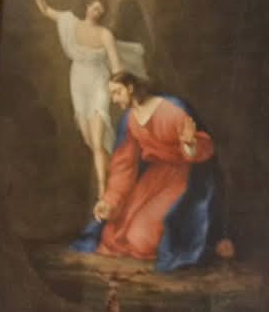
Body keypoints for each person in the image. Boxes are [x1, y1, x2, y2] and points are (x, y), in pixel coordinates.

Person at [70, 72, 230, 272]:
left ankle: (206, 242)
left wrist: (189, 144)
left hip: (183, 177)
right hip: (154, 177)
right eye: (111, 94)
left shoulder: (171, 111)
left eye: (117, 92)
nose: (114, 99)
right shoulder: (130, 119)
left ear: (130, 88)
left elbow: (204, 149)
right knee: (113, 235)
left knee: (140, 239)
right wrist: (110, 201)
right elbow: (124, 166)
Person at [28, 0, 147, 205]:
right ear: (87, 6)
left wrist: (124, 91)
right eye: (94, 6)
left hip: (98, 82)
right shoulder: (69, 22)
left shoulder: (105, 35)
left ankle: (103, 191)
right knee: (90, 141)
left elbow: (116, 67)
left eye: (100, 9)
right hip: (78, 82)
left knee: (98, 139)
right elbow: (45, 10)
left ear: (103, 13)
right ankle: (123, 179)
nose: (96, 11)